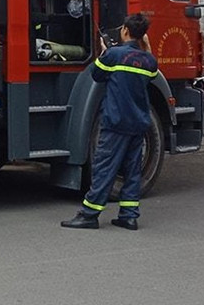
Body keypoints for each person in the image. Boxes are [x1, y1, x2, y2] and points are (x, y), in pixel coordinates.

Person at [61, 13, 158, 231]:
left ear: (125, 30)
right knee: (132, 171)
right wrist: (146, 46)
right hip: (139, 124)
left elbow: (96, 74)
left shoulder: (114, 55)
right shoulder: (149, 61)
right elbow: (151, 73)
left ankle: (89, 215)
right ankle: (129, 217)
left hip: (116, 123)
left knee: (104, 168)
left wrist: (104, 51)